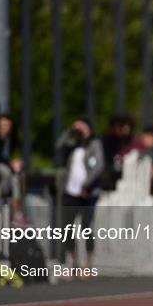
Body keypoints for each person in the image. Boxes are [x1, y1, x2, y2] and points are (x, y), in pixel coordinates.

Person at [55, 119, 104, 279]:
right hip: (71, 191)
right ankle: (74, 263)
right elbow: (59, 146)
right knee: (66, 228)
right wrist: (70, 130)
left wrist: (86, 184)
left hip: (88, 192)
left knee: (86, 227)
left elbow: (99, 166)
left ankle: (88, 264)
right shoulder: (74, 146)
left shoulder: (94, 144)